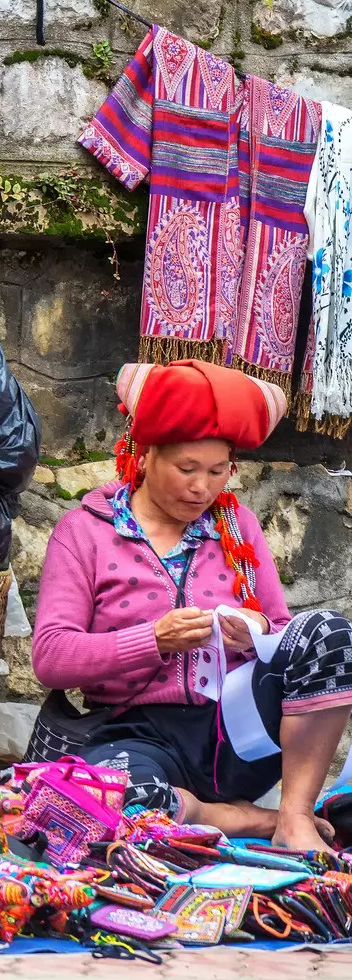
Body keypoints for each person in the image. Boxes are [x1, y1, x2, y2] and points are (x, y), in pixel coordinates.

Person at [32, 360, 351, 852]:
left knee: (328, 633)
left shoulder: (237, 525)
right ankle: (242, 819)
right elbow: (52, 657)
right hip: (134, 734)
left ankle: (294, 815)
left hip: (237, 733)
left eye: (218, 471)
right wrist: (152, 639)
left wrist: (258, 631)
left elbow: (289, 635)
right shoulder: (85, 533)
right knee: (108, 802)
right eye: (186, 469)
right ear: (144, 456)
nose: (202, 487)